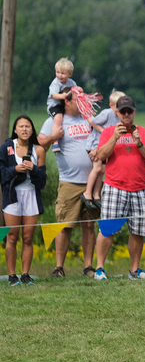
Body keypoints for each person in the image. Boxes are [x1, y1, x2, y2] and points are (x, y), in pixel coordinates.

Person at [92, 96, 145, 280]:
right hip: (114, 187)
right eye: (123, 111)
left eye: (130, 111)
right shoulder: (108, 132)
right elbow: (101, 155)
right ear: (118, 113)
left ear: (134, 112)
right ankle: (99, 269)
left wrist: (139, 144)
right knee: (107, 229)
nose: (127, 114)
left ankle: (134, 270)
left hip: (140, 188)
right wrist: (115, 137)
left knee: (138, 231)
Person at [38, 88, 97, 278]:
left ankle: (89, 267)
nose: (82, 101)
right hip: (69, 181)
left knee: (89, 225)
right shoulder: (54, 121)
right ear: (67, 101)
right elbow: (40, 146)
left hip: (92, 182)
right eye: (77, 98)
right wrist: (53, 136)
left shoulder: (88, 119)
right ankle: (59, 267)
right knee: (65, 225)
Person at [1, 116, 46, 285]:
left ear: (32, 130)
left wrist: (33, 169)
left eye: (28, 126)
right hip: (12, 196)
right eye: (21, 126)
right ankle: (12, 276)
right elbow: (2, 174)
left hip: (32, 195)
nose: (25, 129)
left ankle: (26, 274)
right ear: (15, 130)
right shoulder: (6, 148)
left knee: (28, 237)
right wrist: (15, 169)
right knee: (12, 236)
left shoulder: (38, 150)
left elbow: (42, 181)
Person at [83, 89, 125, 208]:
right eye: (118, 107)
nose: (121, 110)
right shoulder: (107, 113)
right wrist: (105, 132)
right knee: (97, 168)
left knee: (102, 170)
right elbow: (93, 122)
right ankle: (87, 193)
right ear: (111, 105)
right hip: (95, 144)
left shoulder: (120, 117)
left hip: (104, 146)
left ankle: (96, 194)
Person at [45, 57, 77, 152]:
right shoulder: (55, 83)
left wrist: (79, 90)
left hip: (66, 105)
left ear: (69, 74)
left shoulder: (72, 83)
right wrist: (62, 96)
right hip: (55, 105)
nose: (59, 75)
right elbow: (54, 95)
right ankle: (55, 142)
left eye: (63, 73)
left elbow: (75, 91)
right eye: (57, 72)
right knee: (58, 118)